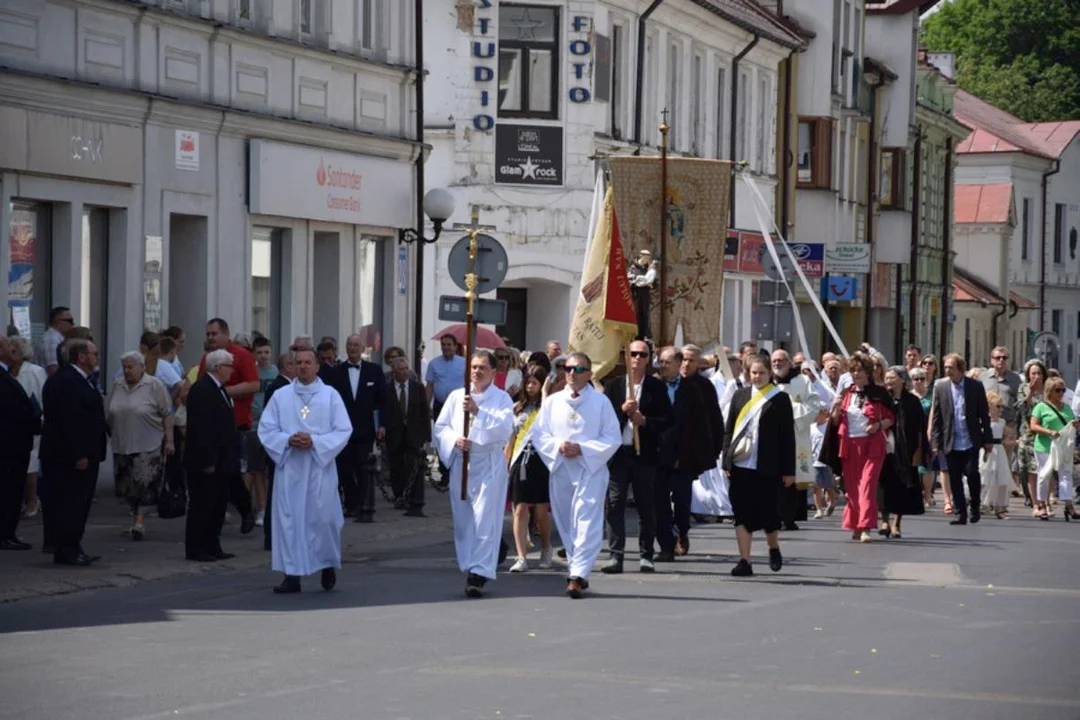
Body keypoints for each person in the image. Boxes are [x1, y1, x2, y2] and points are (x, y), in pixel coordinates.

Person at [259, 348, 353, 593]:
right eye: (297, 362)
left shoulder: (330, 396)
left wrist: (315, 442)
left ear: (317, 366)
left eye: (307, 362)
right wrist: (288, 440)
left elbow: (343, 430)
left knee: (323, 520)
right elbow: (266, 429)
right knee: (289, 522)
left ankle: (327, 564)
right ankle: (291, 574)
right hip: (290, 469)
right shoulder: (281, 396)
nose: (302, 367)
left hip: (319, 469)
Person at [533, 352, 620, 598]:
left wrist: (582, 449)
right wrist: (558, 446)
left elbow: (612, 438)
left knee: (586, 520)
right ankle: (577, 568)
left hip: (589, 469)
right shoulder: (552, 402)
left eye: (579, 369)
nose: (572, 373)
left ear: (589, 374)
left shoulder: (601, 402)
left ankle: (577, 574)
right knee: (566, 521)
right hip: (561, 468)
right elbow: (540, 434)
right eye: (568, 368)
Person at [434, 349, 515, 598]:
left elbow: (504, 430)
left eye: (482, 367)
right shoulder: (457, 396)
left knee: (484, 519)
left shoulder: (501, 399)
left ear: (493, 371)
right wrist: (454, 440)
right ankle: (470, 563)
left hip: (488, 464)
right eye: (474, 367)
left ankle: (479, 572)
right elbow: (440, 427)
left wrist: (478, 414)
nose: (477, 371)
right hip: (462, 462)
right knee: (465, 520)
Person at [600, 340, 671, 574]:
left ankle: (646, 554)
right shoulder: (614, 386)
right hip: (619, 454)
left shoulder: (656, 388)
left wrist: (644, 421)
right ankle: (616, 555)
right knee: (615, 503)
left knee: (645, 505)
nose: (637, 358)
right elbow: (604, 421)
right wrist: (622, 412)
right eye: (633, 354)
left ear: (649, 358)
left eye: (642, 354)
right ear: (626, 357)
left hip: (645, 455)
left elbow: (668, 422)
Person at [722, 356, 796, 576]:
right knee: (741, 512)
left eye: (761, 373)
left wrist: (789, 470)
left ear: (769, 374)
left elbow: (787, 437)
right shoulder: (740, 396)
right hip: (741, 464)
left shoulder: (780, 399)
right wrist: (727, 459)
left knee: (769, 514)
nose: (757, 377)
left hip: (768, 466)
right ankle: (745, 561)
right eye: (753, 373)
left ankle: (773, 547)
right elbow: (729, 430)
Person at [654, 346, 723, 560]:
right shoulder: (654, 385)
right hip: (658, 454)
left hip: (684, 455)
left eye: (668, 362)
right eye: (661, 363)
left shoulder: (696, 387)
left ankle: (682, 530)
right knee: (660, 502)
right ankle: (666, 545)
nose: (663, 367)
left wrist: (713, 449)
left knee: (682, 501)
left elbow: (710, 421)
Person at [41, 339, 106, 565]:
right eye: (94, 353)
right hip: (71, 456)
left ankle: (73, 546)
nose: (97, 357)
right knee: (71, 503)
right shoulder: (67, 381)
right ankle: (67, 549)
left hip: (85, 452)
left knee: (79, 504)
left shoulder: (82, 380)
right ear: (81, 357)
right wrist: (78, 454)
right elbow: (69, 421)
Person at [823, 353, 895, 543]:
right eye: (853, 370)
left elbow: (892, 419)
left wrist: (878, 426)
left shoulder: (880, 394)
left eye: (860, 370)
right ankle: (856, 524)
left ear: (868, 372)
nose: (856, 374)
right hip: (849, 445)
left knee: (867, 486)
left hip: (873, 446)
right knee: (853, 490)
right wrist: (836, 409)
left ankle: (865, 527)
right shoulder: (846, 393)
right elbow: (836, 422)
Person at [105, 351, 174, 541]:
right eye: (125, 367)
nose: (127, 371)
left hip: (148, 443)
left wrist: (169, 441)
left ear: (142, 367)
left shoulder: (153, 385)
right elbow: (108, 412)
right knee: (126, 486)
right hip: (121, 443)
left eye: (131, 367)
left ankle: (139, 522)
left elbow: (167, 413)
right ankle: (135, 516)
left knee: (143, 484)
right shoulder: (117, 385)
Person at [197, 318, 258, 534]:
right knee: (226, 474)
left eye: (214, 334)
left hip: (237, 424)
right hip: (214, 426)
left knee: (231, 472)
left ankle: (243, 509)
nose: (210, 338)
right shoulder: (207, 359)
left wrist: (224, 392)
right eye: (208, 335)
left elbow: (254, 384)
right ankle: (240, 510)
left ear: (225, 334)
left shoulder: (242, 355)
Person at [184, 349, 240, 562]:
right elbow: (201, 428)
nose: (231, 371)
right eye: (229, 367)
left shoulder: (220, 390)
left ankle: (213, 545)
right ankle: (197, 548)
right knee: (202, 505)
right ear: (218, 368)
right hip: (207, 461)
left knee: (217, 506)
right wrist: (206, 460)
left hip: (222, 460)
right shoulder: (202, 390)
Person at [931, 353, 994, 526]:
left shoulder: (975, 386)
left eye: (951, 367)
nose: (947, 371)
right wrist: (936, 443)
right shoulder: (941, 388)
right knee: (954, 478)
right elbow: (937, 417)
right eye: (946, 367)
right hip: (951, 441)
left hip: (970, 440)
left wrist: (987, 438)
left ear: (960, 369)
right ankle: (960, 513)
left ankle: (975, 506)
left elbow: (984, 415)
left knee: (972, 473)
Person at [330, 334, 386, 522]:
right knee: (345, 468)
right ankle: (351, 504)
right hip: (341, 430)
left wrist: (382, 425)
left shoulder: (374, 371)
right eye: (349, 345)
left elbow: (381, 401)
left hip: (365, 429)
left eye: (356, 345)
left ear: (362, 348)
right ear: (345, 348)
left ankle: (364, 503)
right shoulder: (336, 372)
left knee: (363, 466)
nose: (353, 348)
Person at [771, 349, 827, 531]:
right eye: (774, 361)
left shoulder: (802, 381)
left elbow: (814, 403)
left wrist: (790, 411)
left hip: (796, 434)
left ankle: (790, 516)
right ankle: (773, 515)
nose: (777, 364)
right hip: (773, 436)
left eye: (781, 360)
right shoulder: (768, 382)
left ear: (789, 363)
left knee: (793, 475)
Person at [506, 364, 554, 572]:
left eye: (535, 382)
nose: (531, 386)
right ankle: (521, 556)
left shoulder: (549, 407)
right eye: (528, 382)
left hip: (541, 462)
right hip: (520, 461)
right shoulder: (517, 408)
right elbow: (511, 438)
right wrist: (506, 464)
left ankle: (545, 547)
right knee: (520, 509)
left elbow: (548, 424)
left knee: (541, 511)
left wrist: (545, 395)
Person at [0, 336, 40, 550]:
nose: (13, 349)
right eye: (9, 347)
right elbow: (11, 410)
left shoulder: (10, 374)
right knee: (9, 489)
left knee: (13, 489)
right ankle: (5, 533)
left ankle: (8, 532)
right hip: (10, 445)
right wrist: (31, 418)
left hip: (16, 443)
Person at [878, 367, 926, 539]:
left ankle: (896, 523)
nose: (889, 380)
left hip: (906, 450)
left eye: (892, 377)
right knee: (884, 486)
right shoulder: (883, 399)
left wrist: (919, 453)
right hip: (885, 449)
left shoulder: (912, 401)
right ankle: (884, 520)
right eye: (887, 377)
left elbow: (920, 429)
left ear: (902, 380)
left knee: (902, 487)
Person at [381, 356, 430, 516]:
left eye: (405, 369)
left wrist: (426, 435)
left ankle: (411, 496)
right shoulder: (386, 389)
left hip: (413, 433)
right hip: (394, 433)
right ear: (393, 372)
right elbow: (382, 411)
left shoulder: (417, 388)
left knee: (412, 465)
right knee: (396, 466)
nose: (404, 372)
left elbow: (424, 412)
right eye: (400, 369)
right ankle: (399, 496)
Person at [1028, 376, 1079, 521]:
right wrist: (1049, 432)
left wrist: (1074, 425)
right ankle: (1042, 504)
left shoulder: (1067, 408)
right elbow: (1033, 426)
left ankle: (1069, 505)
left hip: (1063, 446)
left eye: (1063, 390)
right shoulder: (1041, 407)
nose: (1061, 393)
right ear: (1049, 391)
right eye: (1058, 390)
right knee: (1044, 474)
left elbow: (1070, 422)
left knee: (1065, 474)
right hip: (1045, 446)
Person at [8, 336, 46, 519]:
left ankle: (32, 501)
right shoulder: (7, 372)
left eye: (14, 350)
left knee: (31, 463)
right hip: (12, 424)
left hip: (33, 420)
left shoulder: (35, 371)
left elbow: (43, 395)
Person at [263, 351, 297, 551]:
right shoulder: (280, 388)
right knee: (276, 493)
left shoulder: (287, 386)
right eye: (294, 363)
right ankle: (272, 535)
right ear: (286, 367)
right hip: (280, 447)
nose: (299, 367)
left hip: (284, 447)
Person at [427, 334, 467, 487]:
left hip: (459, 407)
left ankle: (456, 470)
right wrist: (427, 406)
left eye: (449, 344)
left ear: (456, 346)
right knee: (442, 438)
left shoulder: (464, 363)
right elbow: (430, 385)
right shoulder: (434, 364)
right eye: (443, 344)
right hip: (440, 405)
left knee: (458, 437)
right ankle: (444, 473)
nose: (446, 347)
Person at [249, 336, 277, 526]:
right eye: (259, 352)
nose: (263, 356)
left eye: (266, 352)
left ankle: (271, 507)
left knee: (271, 470)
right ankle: (261, 507)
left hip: (271, 425)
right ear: (254, 354)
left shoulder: (275, 372)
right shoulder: (251, 371)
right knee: (257, 469)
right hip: (253, 425)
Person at [1016, 359, 1048, 514]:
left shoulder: (1049, 390)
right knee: (1032, 471)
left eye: (1039, 373)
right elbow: (1022, 410)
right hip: (1029, 435)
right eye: (1033, 373)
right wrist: (1030, 392)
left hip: (1046, 434)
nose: (1036, 376)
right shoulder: (1023, 388)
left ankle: (1046, 502)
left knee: (1046, 470)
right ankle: (1036, 504)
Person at [980, 391, 1014, 520]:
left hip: (999, 451)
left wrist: (1014, 442)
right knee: (985, 477)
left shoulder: (1002, 422)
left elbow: (1005, 438)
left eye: (1001, 406)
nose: (1000, 409)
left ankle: (1000, 508)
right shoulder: (984, 421)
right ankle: (983, 503)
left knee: (1001, 478)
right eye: (998, 406)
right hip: (987, 450)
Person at [41, 306, 74, 375]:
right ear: (58, 321)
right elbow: (53, 369)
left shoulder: (57, 338)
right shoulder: (52, 339)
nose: (73, 324)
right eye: (70, 321)